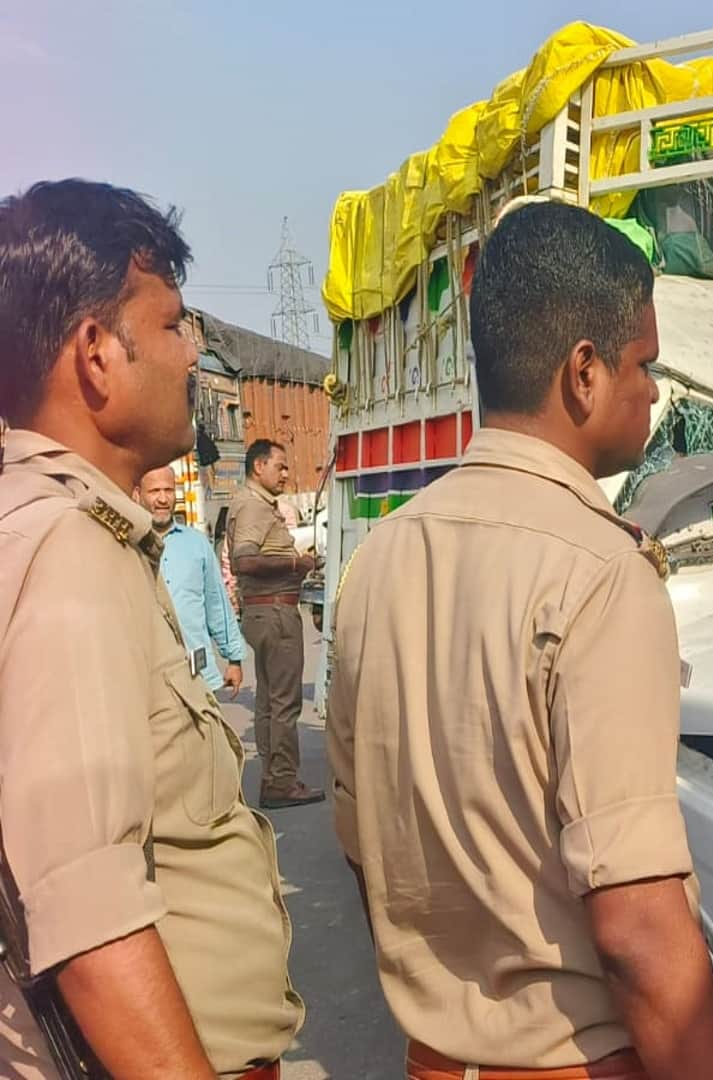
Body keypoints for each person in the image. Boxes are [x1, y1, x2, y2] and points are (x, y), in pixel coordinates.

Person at [329, 199, 713, 1080]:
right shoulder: (601, 575)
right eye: (644, 365)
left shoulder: (381, 560)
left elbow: (367, 850)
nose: (655, 391)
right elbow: (638, 933)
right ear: (584, 373)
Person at [0, 178, 302, 1077]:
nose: (192, 352)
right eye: (172, 326)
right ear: (96, 353)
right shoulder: (66, 549)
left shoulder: (57, 524)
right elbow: (91, 921)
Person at [229, 438, 322, 808]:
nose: (285, 474)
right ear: (258, 467)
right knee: (284, 703)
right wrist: (295, 565)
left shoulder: (253, 504)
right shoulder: (253, 506)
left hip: (265, 612)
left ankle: (274, 777)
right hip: (275, 613)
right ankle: (282, 782)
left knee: (270, 700)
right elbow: (245, 561)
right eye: (280, 467)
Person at [140, 466, 246, 696]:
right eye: (154, 491)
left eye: (169, 490)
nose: (162, 499)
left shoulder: (196, 543)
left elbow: (216, 603)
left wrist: (234, 658)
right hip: (146, 678)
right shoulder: (129, 545)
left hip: (196, 674)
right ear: (137, 495)